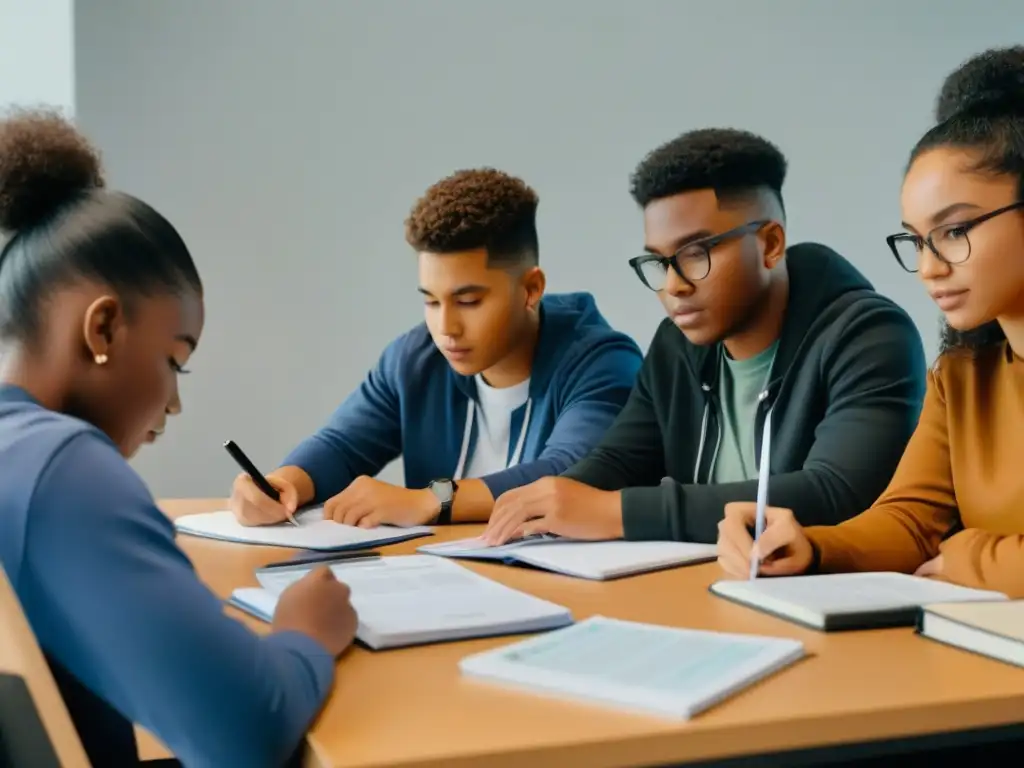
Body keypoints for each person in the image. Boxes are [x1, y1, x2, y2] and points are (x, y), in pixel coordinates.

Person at [0, 109, 357, 767]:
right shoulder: (59, 467)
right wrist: (304, 634)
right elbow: (245, 732)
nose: (176, 399)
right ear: (102, 329)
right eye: (175, 359)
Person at [483, 128, 927, 546]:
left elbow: (836, 494)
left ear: (771, 244)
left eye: (695, 254)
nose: (673, 285)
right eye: (658, 262)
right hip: (706, 589)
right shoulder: (676, 345)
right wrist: (547, 502)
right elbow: (619, 461)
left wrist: (616, 512)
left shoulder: (871, 336)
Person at [715, 46, 1024, 600]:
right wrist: (809, 546)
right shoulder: (960, 376)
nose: (929, 268)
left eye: (955, 231)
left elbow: (940, 546)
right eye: (916, 239)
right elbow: (910, 520)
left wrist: (967, 554)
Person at [229, 168, 642, 528]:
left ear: (531, 289)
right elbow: (342, 445)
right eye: (430, 300)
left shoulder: (604, 362)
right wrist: (284, 483)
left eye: (468, 301)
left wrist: (429, 500)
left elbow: (571, 473)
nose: (445, 328)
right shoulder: (415, 358)